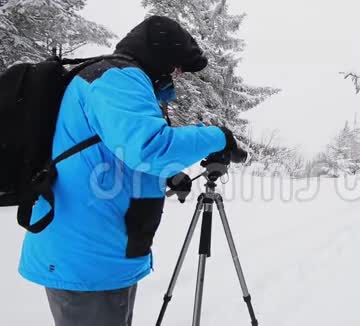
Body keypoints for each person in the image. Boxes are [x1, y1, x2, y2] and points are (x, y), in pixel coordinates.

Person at [18, 16, 237, 326]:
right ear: (159, 54)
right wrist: (218, 136)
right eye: (176, 66)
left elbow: (110, 152)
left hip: (99, 251)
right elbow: (148, 148)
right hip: (89, 255)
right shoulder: (118, 78)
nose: (177, 74)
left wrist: (167, 176)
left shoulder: (112, 79)